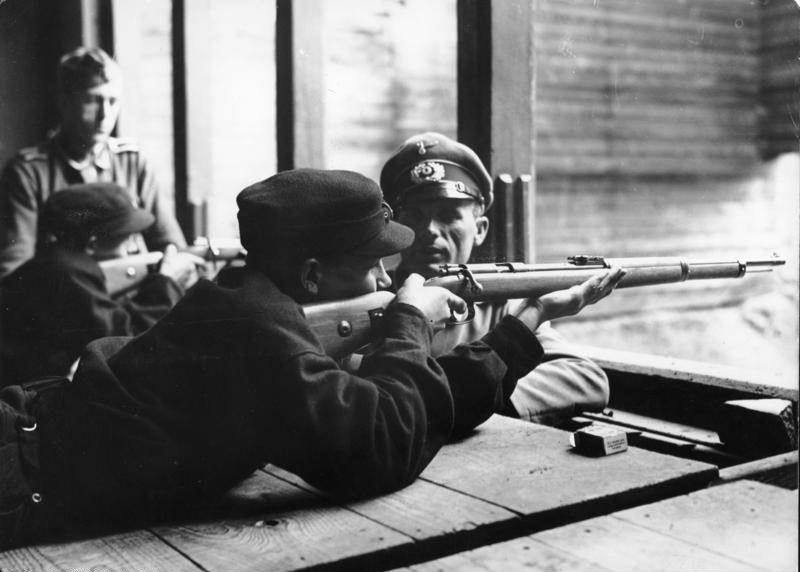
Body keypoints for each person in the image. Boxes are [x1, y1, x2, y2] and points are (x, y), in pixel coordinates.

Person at [0, 168, 554, 549]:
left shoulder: (247, 301)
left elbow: (382, 406)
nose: (387, 279)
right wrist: (410, 316)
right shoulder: (262, 336)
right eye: (374, 265)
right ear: (312, 274)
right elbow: (383, 442)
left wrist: (521, 329)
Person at [380, 132, 621, 426]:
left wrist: (479, 399)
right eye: (414, 216)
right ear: (394, 229)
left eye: (448, 215)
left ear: (479, 229)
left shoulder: (499, 305)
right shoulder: (370, 305)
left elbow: (586, 378)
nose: (430, 229)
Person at [0, 47, 186, 279]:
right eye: (92, 100)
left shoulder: (132, 163)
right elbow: (14, 269)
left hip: (135, 298)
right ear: (64, 101)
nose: (105, 115)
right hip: (66, 304)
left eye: (113, 101)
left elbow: (170, 245)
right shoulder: (28, 173)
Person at [0, 183, 200, 387]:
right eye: (127, 236)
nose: (134, 247)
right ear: (93, 243)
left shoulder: (55, 265)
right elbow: (128, 344)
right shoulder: (70, 273)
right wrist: (166, 282)